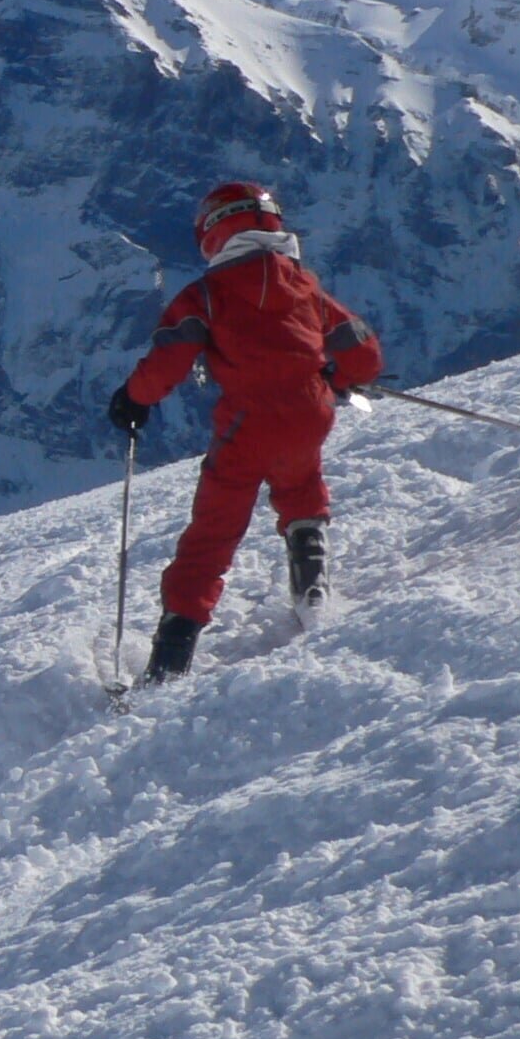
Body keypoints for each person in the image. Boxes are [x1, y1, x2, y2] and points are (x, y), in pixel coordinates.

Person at [107, 182, 384, 683]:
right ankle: (312, 586)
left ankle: (171, 658)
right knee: (300, 483)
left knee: (213, 534)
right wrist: (337, 379)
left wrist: (133, 400)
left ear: (213, 233)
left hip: (247, 425)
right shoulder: (304, 284)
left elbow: (168, 359)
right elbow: (362, 350)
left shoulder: (205, 297)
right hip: (310, 413)